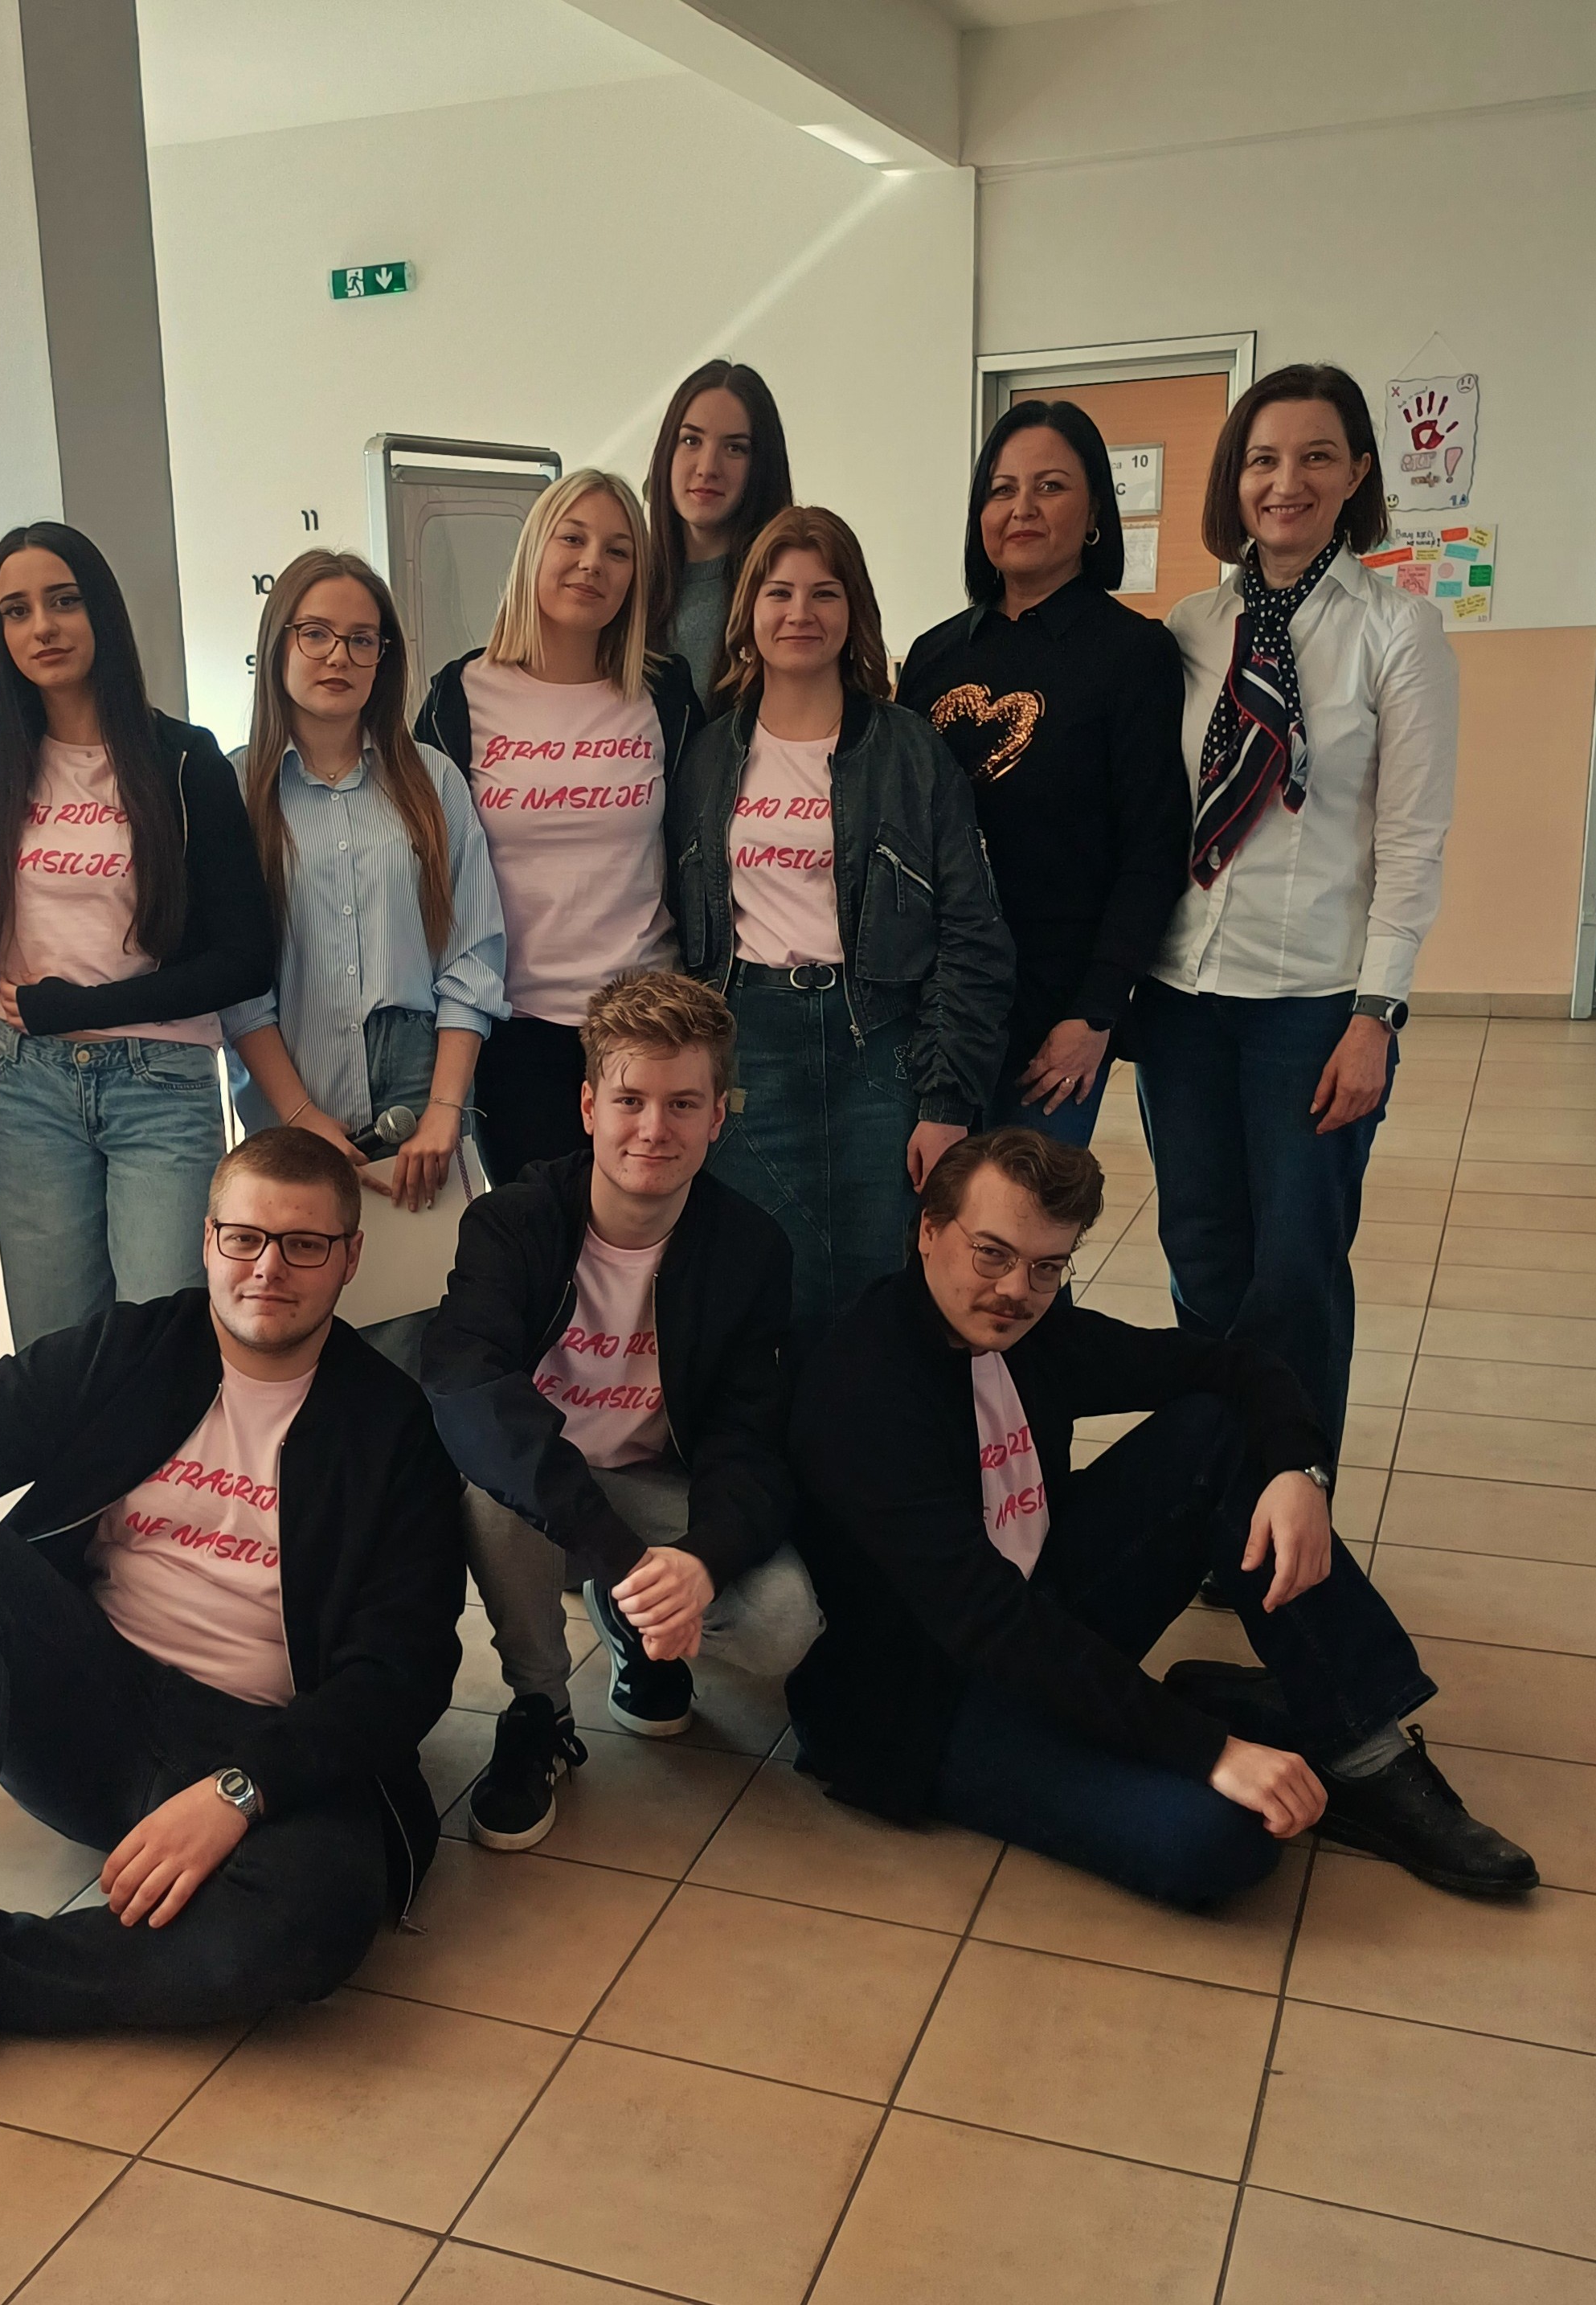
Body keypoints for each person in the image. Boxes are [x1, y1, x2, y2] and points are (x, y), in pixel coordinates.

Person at [0, 1127, 465, 2151]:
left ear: (349, 1257)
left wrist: (241, 1790)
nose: (268, 1269)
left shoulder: (394, 1428)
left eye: (304, 1246)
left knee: (315, 1925)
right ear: (207, 1241)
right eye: (245, 1239)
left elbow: (404, 1674)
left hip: (258, 1742)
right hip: (91, 1702)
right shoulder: (134, 1351)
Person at [787, 1128, 1535, 1908]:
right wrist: (1209, 1750)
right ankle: (1239, 1714)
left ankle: (1364, 1752)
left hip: (1039, 1607)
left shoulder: (1027, 1330)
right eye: (992, 1254)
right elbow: (991, 1623)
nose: (1016, 1289)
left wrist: (1300, 1472)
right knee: (1218, 1840)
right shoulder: (862, 1390)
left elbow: (1234, 1366)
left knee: (1218, 1429)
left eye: (1047, 1267)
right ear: (929, 1232)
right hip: (922, 1699)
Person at [1129, 363, 1454, 1449]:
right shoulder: (1193, 626)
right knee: (1201, 1255)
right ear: (1235, 478)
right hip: (1182, 996)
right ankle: (1213, 1491)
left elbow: (1411, 842)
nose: (1287, 482)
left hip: (1313, 1006)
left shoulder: (1398, 632)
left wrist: (1377, 1017)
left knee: (1297, 1270)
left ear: (1357, 472)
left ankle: (1293, 1491)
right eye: (1264, 460)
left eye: (1317, 457)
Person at [423, 970, 816, 1851]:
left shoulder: (752, 1248)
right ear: (588, 1106)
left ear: (718, 1117)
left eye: (684, 1104)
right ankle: (539, 1709)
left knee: (783, 1622)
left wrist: (701, 1561)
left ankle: (628, 1616)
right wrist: (624, 1557)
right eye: (631, 1100)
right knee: (492, 1482)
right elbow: (467, 1391)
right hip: (544, 1496)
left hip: (650, 1487)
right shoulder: (513, 1223)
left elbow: (749, 1434)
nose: (653, 1128)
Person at [670, 506, 1015, 1346]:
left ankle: (868, 1436)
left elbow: (972, 932)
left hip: (880, 1048)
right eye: (780, 593)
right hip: (748, 1045)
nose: (802, 613)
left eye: (825, 593)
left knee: (882, 1287)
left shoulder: (908, 750)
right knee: (762, 1288)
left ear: (854, 609)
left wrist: (946, 1097)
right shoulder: (708, 757)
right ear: (749, 612)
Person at [0, 522, 273, 1347]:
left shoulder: (185, 762)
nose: (43, 627)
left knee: (158, 1345)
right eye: (17, 611)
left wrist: (85, 1006)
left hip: (159, 1084)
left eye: (64, 602)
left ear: (101, 610)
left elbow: (246, 960)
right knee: (54, 1351)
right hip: (26, 1087)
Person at [898, 400, 1189, 1144]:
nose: (1022, 507)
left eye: (1050, 486)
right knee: (926, 1208)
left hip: (1054, 1017)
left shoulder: (1134, 655)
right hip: (931, 1009)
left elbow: (1154, 849)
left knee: (1019, 1208)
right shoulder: (933, 657)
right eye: (1002, 489)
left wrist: (1096, 1012)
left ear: (1094, 513)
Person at [415, 471, 701, 1182]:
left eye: (618, 551)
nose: (592, 564)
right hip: (513, 1032)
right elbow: (427, 868)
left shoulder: (664, 693)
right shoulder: (460, 696)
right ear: (534, 550)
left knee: (646, 1235)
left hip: (646, 1026)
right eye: (572, 539)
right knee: (538, 1236)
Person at [223, 548, 508, 1215]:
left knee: (421, 1276)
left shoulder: (433, 779)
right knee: (302, 1270)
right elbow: (233, 981)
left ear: (383, 658)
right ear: (278, 643)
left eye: (361, 640)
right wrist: (297, 1111)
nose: (339, 657)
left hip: (420, 1079)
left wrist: (446, 1107)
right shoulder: (233, 789)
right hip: (287, 1075)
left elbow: (473, 954)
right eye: (315, 634)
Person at [638, 359, 795, 710]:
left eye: (734, 448)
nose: (708, 468)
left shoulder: (786, 599)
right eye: (691, 440)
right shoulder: (625, 586)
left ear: (761, 465)